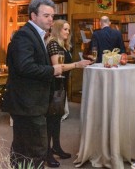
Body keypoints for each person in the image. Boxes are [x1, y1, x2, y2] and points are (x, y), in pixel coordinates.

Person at [3, 0, 63, 169]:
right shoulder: (24, 35)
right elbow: (25, 67)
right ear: (33, 15)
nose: (51, 19)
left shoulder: (36, 34)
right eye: (46, 15)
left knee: (23, 148)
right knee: (36, 149)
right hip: (27, 104)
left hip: (30, 103)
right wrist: (53, 70)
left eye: (52, 16)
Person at [46, 20, 92, 168]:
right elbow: (57, 67)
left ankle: (56, 147)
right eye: (65, 29)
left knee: (57, 118)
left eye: (69, 29)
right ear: (58, 29)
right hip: (53, 86)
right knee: (50, 120)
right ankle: (47, 153)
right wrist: (77, 65)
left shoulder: (63, 45)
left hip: (61, 86)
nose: (68, 32)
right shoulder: (53, 43)